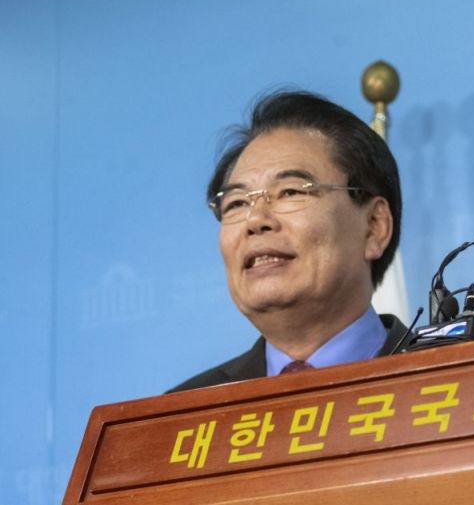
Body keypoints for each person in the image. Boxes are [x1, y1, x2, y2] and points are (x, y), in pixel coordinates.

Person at [171, 91, 407, 392]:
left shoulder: (458, 376)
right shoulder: (186, 409)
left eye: (291, 192)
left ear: (374, 227)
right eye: (237, 203)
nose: (256, 220)